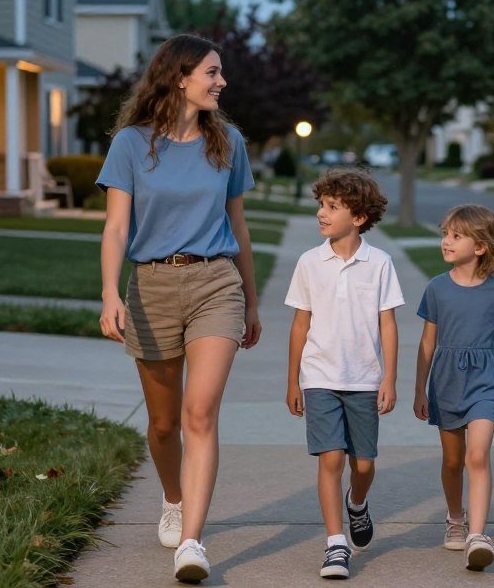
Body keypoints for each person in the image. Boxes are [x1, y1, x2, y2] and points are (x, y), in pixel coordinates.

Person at [96, 34, 262, 584]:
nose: (222, 82)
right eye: (212, 73)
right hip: (152, 286)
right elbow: (117, 226)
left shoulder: (228, 142)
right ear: (179, 76)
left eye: (221, 73)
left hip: (216, 281)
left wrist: (251, 301)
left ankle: (192, 541)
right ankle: (173, 497)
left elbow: (239, 229)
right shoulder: (130, 144)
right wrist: (109, 293)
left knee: (200, 414)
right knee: (165, 424)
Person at [285, 169, 404, 580]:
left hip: (364, 379)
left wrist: (389, 378)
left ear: (358, 217)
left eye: (332, 207)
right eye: (321, 204)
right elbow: (300, 325)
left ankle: (357, 503)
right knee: (330, 458)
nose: (321, 213)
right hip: (319, 376)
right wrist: (293, 380)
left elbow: (388, 324)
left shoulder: (380, 263)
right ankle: (336, 545)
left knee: (364, 464)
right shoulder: (308, 262)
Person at [413, 204, 494, 571]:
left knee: (478, 455)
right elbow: (427, 344)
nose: (446, 241)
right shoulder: (437, 288)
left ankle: (477, 534)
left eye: (456, 236)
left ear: (481, 246)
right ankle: (455, 518)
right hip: (447, 380)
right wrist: (419, 390)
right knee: (454, 460)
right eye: (445, 234)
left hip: (486, 379)